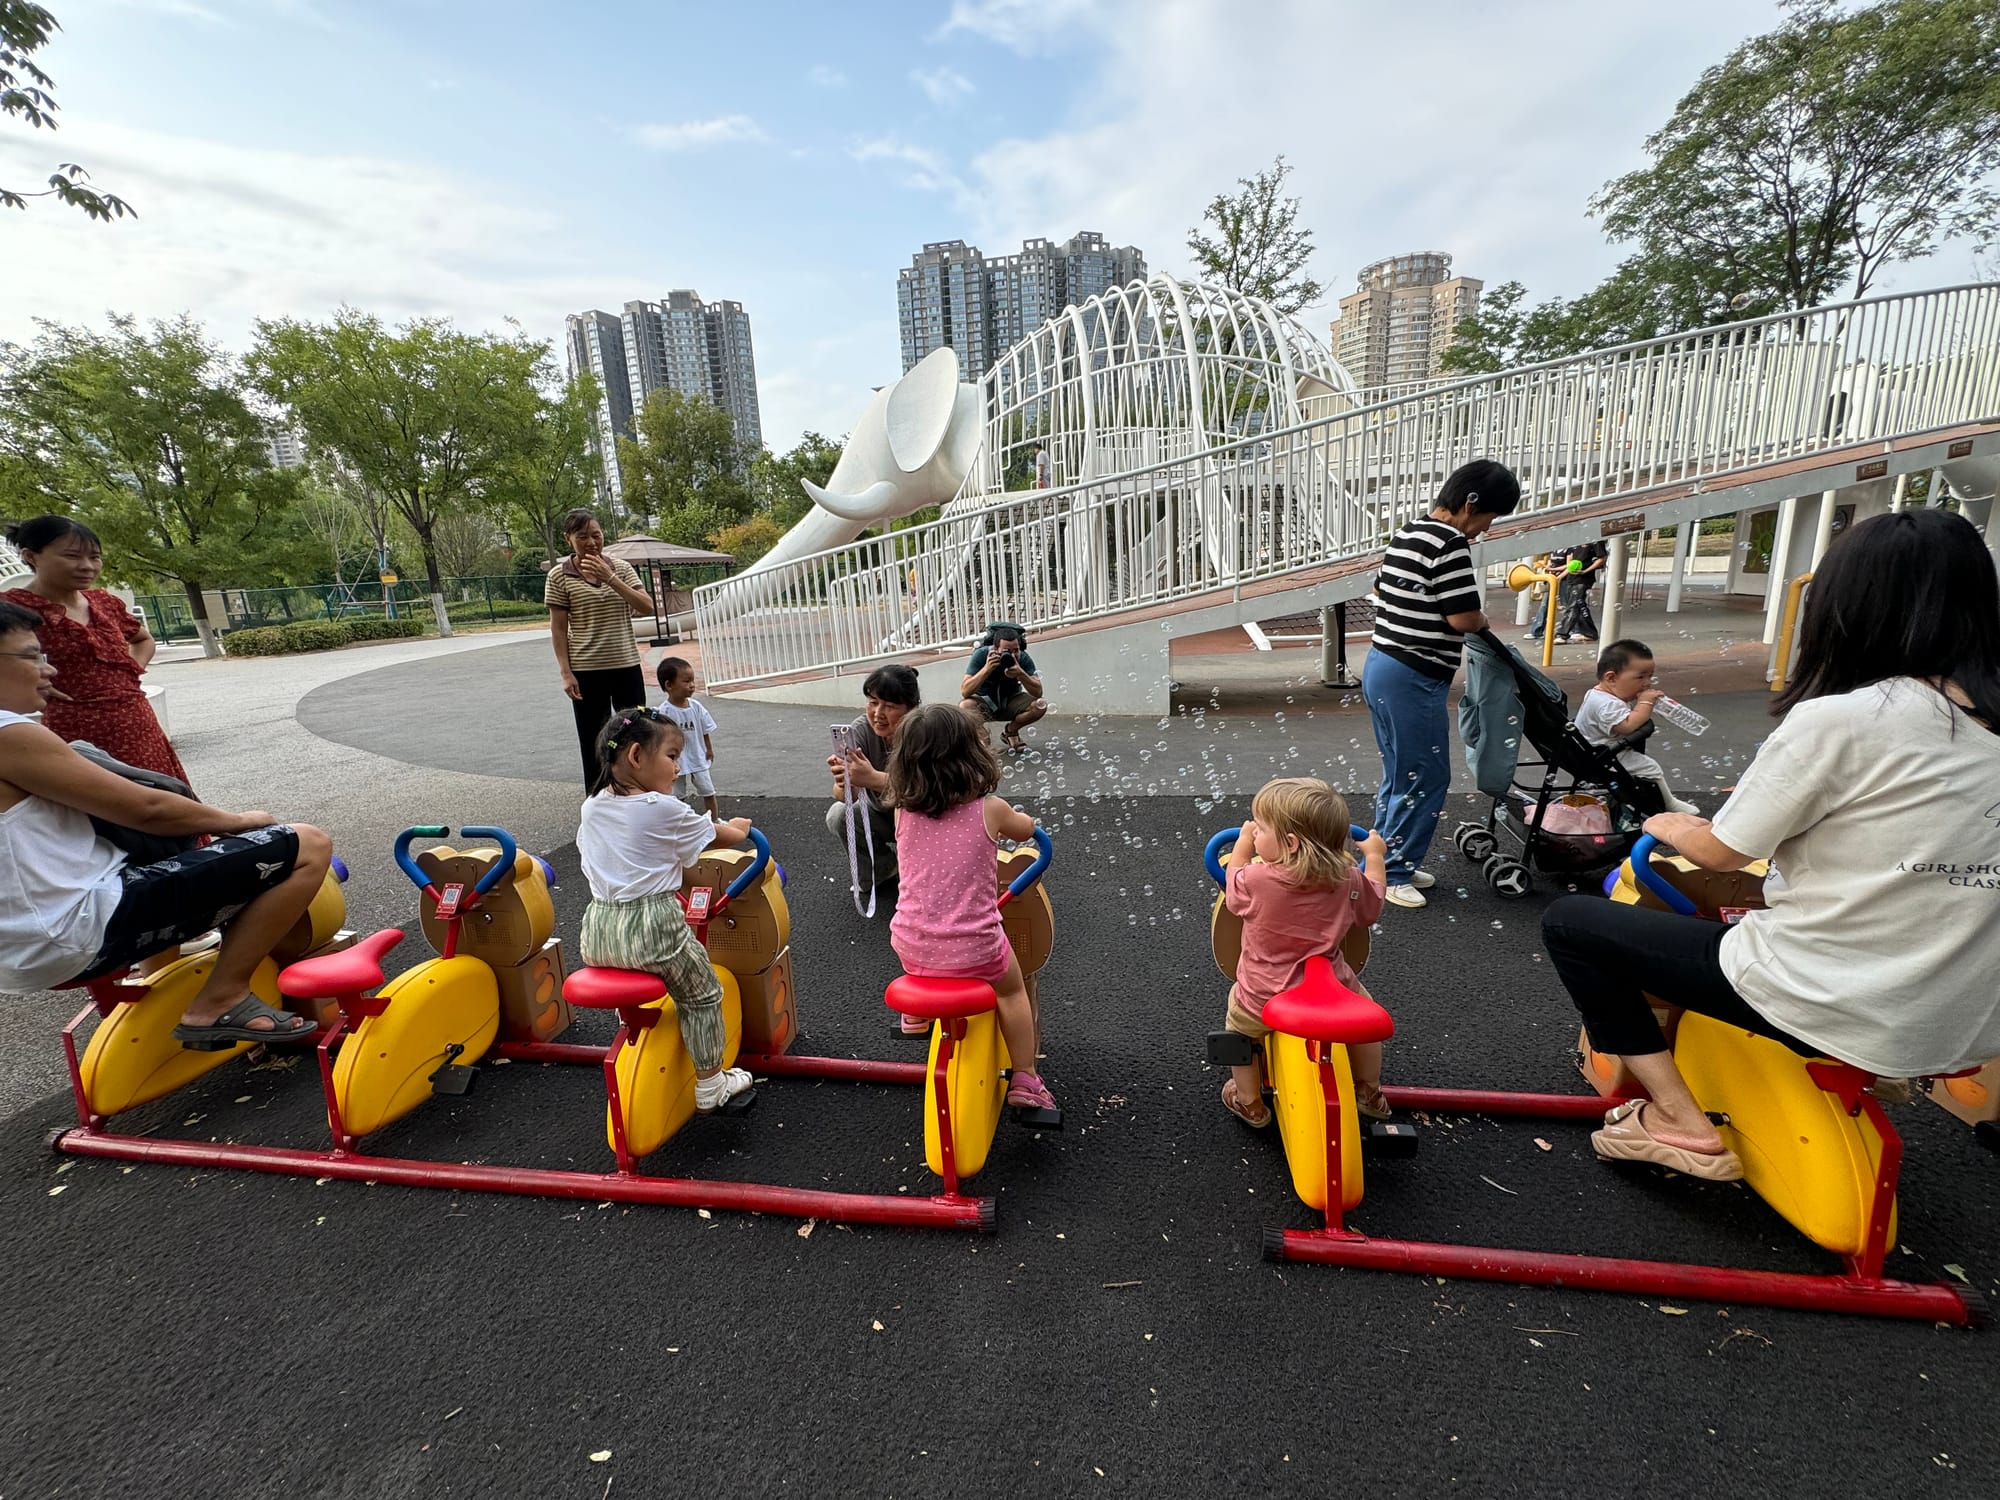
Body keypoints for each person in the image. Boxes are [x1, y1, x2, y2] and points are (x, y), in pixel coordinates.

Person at [1541, 509, 2000, 1181]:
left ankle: (1677, 1121)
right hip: (1967, 1022)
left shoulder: (1846, 720)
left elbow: (1721, 852)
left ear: (1848, 607)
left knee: (1573, 925)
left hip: (1840, 998)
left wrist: (1666, 825)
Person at [0, 600, 332, 1041]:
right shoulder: (9, 734)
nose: (49, 669)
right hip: (73, 931)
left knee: (180, 858)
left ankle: (170, 986)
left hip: (20, 949)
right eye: (30, 655)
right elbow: (149, 810)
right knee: (306, 845)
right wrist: (240, 821)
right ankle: (223, 997)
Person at [575, 706, 757, 1115]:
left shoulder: (594, 806)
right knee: (704, 992)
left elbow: (622, 859)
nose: (678, 767)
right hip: (654, 927)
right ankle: (712, 1082)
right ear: (638, 757)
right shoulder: (662, 808)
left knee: (646, 974)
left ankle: (636, 1033)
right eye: (672, 756)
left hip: (599, 928)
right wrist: (741, 828)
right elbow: (720, 836)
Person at [1363, 459, 1522, 909]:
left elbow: (1383, 588)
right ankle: (1393, 872)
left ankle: (1384, 860)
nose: (1483, 530)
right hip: (1411, 674)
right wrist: (1483, 619)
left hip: (1382, 663)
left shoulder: (1408, 532)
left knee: (1401, 772)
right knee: (1426, 775)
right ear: (1470, 502)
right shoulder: (1450, 543)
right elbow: (1463, 617)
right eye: (1489, 518)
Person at [884, 703, 1057, 1110]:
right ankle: (1026, 1079)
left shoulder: (902, 812)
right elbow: (1024, 829)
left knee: (924, 931)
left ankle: (918, 1016)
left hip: (910, 946)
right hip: (976, 948)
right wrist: (1026, 821)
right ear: (973, 757)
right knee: (1013, 991)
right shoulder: (990, 809)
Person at [1219, 777, 1389, 1128]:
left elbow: (1233, 891)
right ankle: (1370, 1091)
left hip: (1262, 992)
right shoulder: (1346, 877)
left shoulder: (1256, 879)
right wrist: (1373, 856)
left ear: (1291, 843)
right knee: (1366, 1020)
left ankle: (1248, 1101)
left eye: (1261, 828)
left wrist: (1241, 846)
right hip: (1332, 989)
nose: (1255, 834)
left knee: (1239, 1026)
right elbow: (1371, 907)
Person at [2, 515, 190, 785]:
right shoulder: (12, 608)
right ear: (31, 556)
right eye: (72, 556)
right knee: (103, 802)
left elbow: (142, 639)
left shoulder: (104, 602)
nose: (87, 566)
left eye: (95, 557)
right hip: (74, 722)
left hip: (136, 717)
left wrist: (132, 671)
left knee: (162, 790)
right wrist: (33, 681)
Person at [546, 508, 654, 788]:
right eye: (582, 537)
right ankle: (597, 802)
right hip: (586, 670)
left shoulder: (620, 568)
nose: (591, 542)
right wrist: (565, 673)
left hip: (625, 665)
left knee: (636, 732)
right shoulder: (559, 576)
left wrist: (610, 578)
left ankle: (637, 794)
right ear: (568, 538)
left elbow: (646, 606)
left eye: (596, 535)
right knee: (593, 739)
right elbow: (558, 629)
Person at [1573, 640, 1700, 815]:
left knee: (1644, 766)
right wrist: (1645, 702)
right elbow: (1627, 726)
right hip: (1602, 756)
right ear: (1611, 678)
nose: (1647, 683)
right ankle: (1669, 804)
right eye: (1640, 677)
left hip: (1595, 751)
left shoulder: (1598, 694)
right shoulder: (1606, 704)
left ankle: (1646, 798)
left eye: (1650, 676)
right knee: (1650, 767)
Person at [824, 664, 920, 884]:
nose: (878, 714)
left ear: (911, 708)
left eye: (889, 706)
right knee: (838, 814)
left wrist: (872, 778)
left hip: (924, 817)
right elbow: (845, 797)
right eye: (873, 702)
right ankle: (884, 869)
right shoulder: (858, 731)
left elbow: (930, 790)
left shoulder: (926, 729)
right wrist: (845, 782)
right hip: (884, 815)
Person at [959, 623, 1046, 754]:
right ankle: (984, 740)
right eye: (1006, 651)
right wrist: (986, 669)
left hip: (1010, 701)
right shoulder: (982, 655)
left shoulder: (1023, 658)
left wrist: (1020, 673)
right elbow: (965, 691)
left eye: (1016, 650)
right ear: (995, 648)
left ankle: (1011, 732)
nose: (1012, 655)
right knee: (965, 705)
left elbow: (1038, 692)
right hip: (985, 703)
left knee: (1040, 705)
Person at [652, 655, 720, 817]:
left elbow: (705, 730)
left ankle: (715, 820)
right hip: (676, 761)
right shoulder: (664, 712)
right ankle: (680, 822)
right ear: (669, 685)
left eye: (692, 681)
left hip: (697, 755)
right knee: (677, 795)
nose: (692, 685)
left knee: (708, 790)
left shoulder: (696, 707)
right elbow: (660, 738)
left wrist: (709, 749)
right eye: (686, 681)